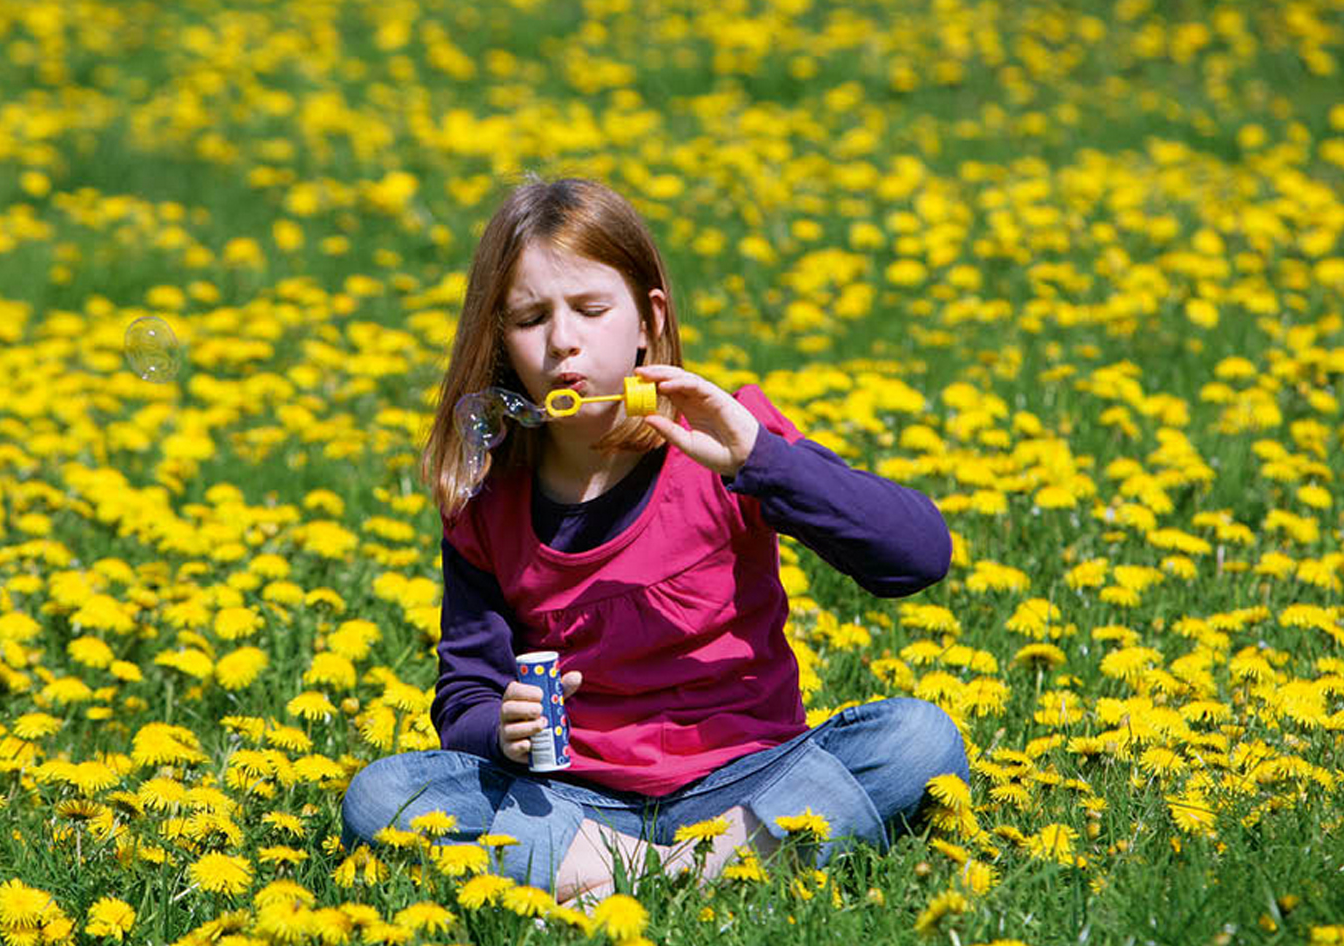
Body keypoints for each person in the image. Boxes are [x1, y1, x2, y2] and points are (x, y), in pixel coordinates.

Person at [340, 177, 967, 904]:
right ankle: (715, 873)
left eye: (592, 309)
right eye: (531, 318)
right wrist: (500, 731)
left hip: (753, 777)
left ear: (648, 320)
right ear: (502, 347)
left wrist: (761, 460)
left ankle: (614, 884)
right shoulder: (487, 501)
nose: (564, 340)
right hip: (578, 804)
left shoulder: (726, 443)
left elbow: (919, 556)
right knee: (382, 797)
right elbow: (466, 695)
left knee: (919, 740)